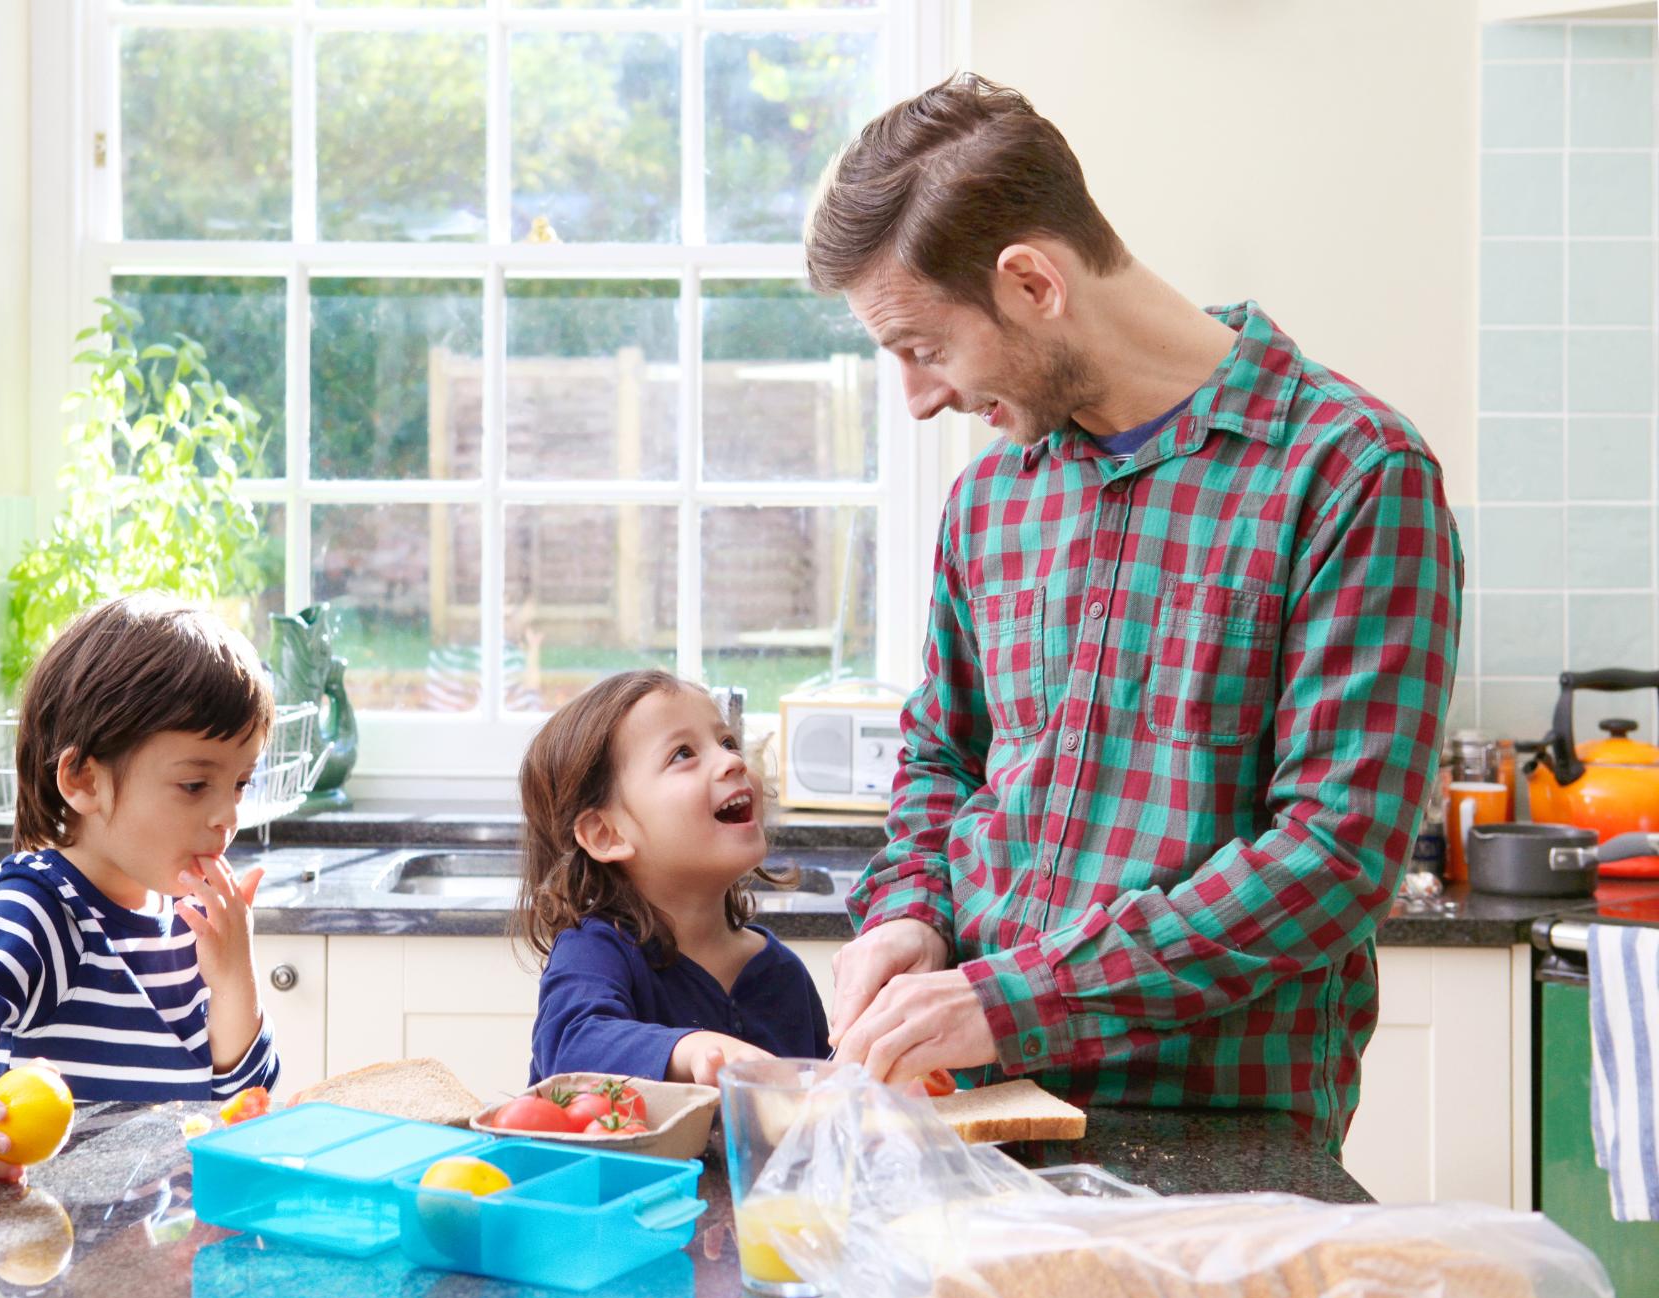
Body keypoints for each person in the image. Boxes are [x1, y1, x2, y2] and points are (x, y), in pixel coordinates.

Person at [808, 75, 1461, 1151]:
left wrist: (1009, 1002)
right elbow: (939, 757)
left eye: (923, 348)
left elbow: (1331, 854)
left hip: (1214, 1135)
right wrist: (908, 911)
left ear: (1029, 282)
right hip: (963, 1120)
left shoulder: (1348, 472)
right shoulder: (991, 498)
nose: (918, 398)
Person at [0, 594, 281, 1180]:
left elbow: (242, 1111)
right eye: (196, 785)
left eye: (241, 783)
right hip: (51, 1245)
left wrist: (233, 978)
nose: (228, 816)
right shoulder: (40, 909)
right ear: (83, 780)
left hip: (161, 1252)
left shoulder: (185, 913)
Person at [517, 669, 831, 1086]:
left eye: (727, 742)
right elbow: (571, 1046)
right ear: (606, 834)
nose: (733, 760)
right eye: (683, 754)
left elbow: (816, 1107)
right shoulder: (594, 951)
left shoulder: (782, 974)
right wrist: (694, 1048)